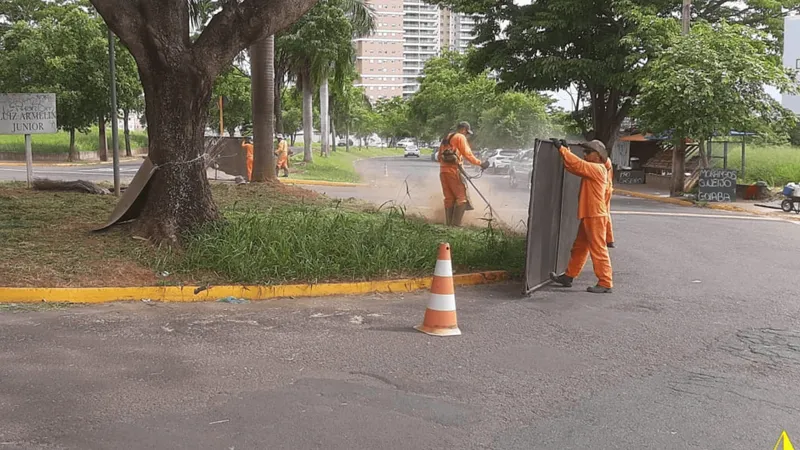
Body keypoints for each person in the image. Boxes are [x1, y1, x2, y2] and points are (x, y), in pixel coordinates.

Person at [549, 139, 613, 294]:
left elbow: (577, 165)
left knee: (598, 249)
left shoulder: (597, 168)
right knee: (580, 247)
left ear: (598, 155)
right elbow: (573, 165)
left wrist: (562, 150)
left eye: (588, 152)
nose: (585, 154)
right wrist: (567, 150)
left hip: (595, 215)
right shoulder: (598, 167)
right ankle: (569, 276)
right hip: (591, 214)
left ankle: (605, 282)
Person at [438, 121, 490, 226]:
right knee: (462, 198)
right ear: (463, 129)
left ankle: (449, 225)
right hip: (454, 171)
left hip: (443, 171)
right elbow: (468, 154)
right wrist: (481, 163)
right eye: (466, 132)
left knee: (449, 198)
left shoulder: (446, 138)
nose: (466, 135)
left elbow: (439, 157)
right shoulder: (460, 137)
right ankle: (456, 226)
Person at [604, 158, 615, 248]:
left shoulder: (603, 161)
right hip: (608, 187)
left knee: (603, 214)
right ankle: (609, 239)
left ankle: (608, 238)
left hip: (604, 189)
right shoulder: (607, 161)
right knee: (606, 214)